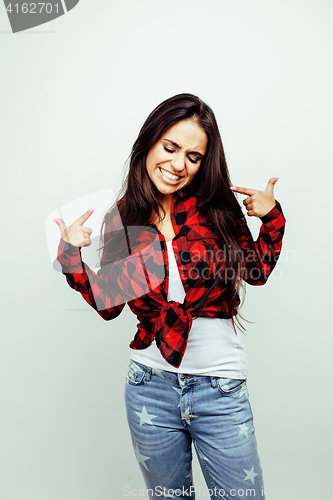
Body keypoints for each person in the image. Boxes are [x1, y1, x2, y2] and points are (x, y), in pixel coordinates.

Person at [54, 93, 286, 500]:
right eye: (171, 147)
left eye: (193, 157)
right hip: (149, 386)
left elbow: (257, 271)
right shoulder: (122, 218)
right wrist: (71, 255)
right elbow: (110, 304)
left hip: (220, 387)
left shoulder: (217, 208)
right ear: (150, 141)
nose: (179, 165)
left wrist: (270, 216)